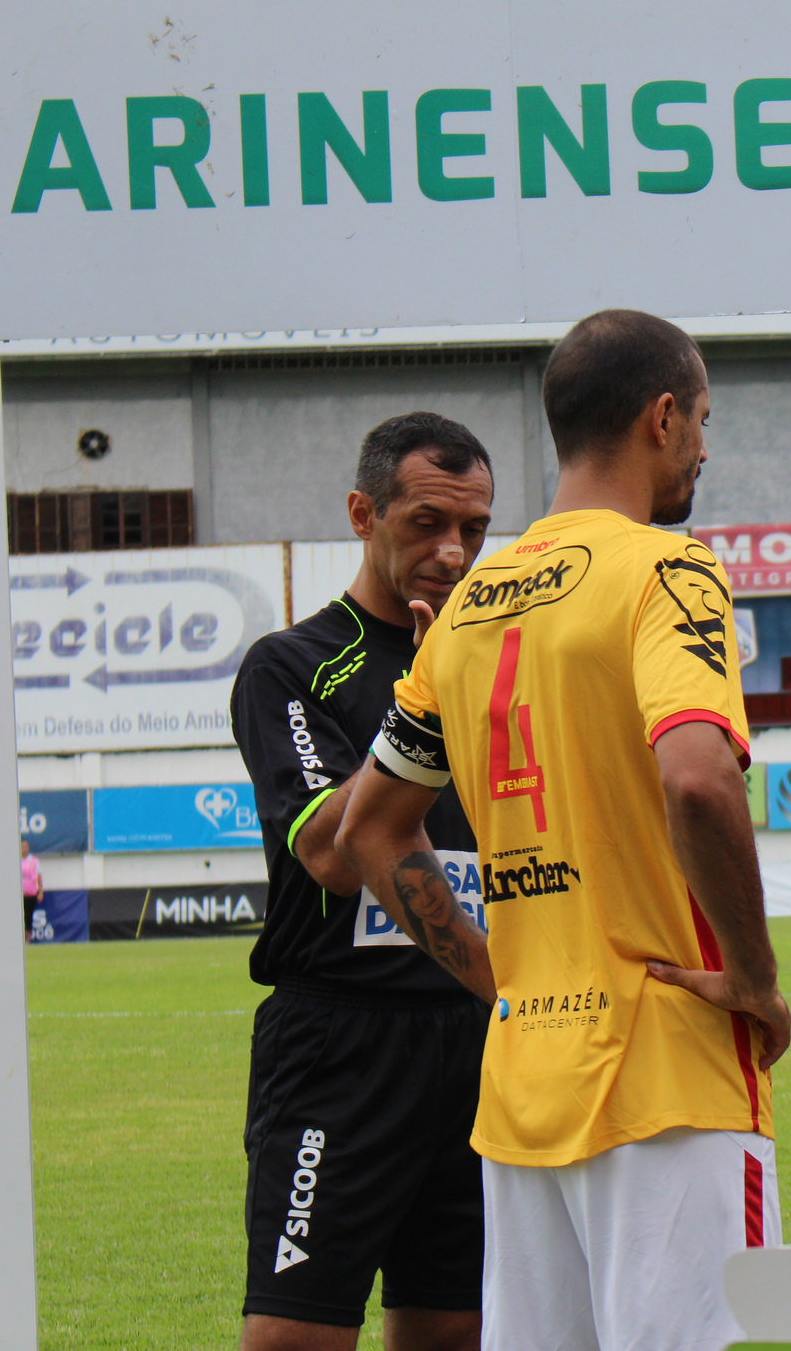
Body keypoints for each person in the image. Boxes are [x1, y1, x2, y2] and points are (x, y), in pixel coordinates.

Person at [337, 309, 791, 1351]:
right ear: (662, 417)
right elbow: (698, 782)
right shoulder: (668, 571)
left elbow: (372, 829)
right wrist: (755, 982)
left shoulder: (465, 608)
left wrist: (504, 984)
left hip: (526, 1084)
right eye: (704, 418)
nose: (706, 447)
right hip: (666, 1069)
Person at [229, 412, 495, 1351]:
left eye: (473, 527)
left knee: (455, 1327)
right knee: (295, 1337)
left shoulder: (494, 669)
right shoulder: (290, 666)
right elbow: (337, 857)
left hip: (477, 1035)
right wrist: (426, 701)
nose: (452, 550)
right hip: (339, 1045)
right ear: (362, 513)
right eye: (426, 522)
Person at [20, 839, 41, 939]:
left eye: (26, 846)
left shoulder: (33, 861)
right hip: (20, 895)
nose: (24, 849)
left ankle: (27, 939)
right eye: (22, 846)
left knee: (29, 916)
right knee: (20, 917)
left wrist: (40, 891)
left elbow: (39, 877)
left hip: (31, 893)